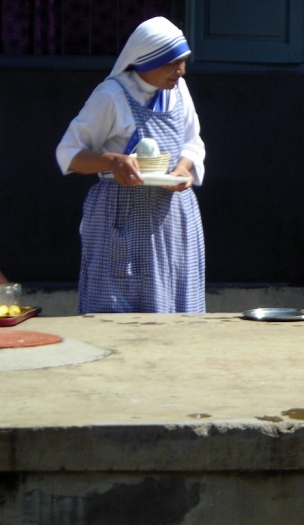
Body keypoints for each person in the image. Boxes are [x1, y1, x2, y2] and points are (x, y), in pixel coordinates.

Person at [56, 17, 206, 314]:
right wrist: (113, 162)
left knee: (173, 305)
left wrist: (183, 168)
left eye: (183, 62)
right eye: (172, 63)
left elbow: (192, 141)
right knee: (118, 307)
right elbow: (69, 151)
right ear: (146, 60)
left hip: (171, 217)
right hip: (121, 214)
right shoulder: (111, 96)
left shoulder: (179, 91)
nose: (181, 70)